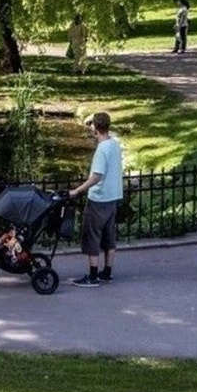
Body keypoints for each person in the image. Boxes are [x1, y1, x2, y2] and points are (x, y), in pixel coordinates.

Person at [68, 111, 123, 287]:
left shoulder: (101, 149)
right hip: (113, 196)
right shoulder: (114, 144)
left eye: (91, 124)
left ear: (95, 128)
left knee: (92, 236)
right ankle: (107, 272)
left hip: (99, 198)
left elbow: (97, 176)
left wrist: (78, 190)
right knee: (109, 236)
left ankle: (92, 276)